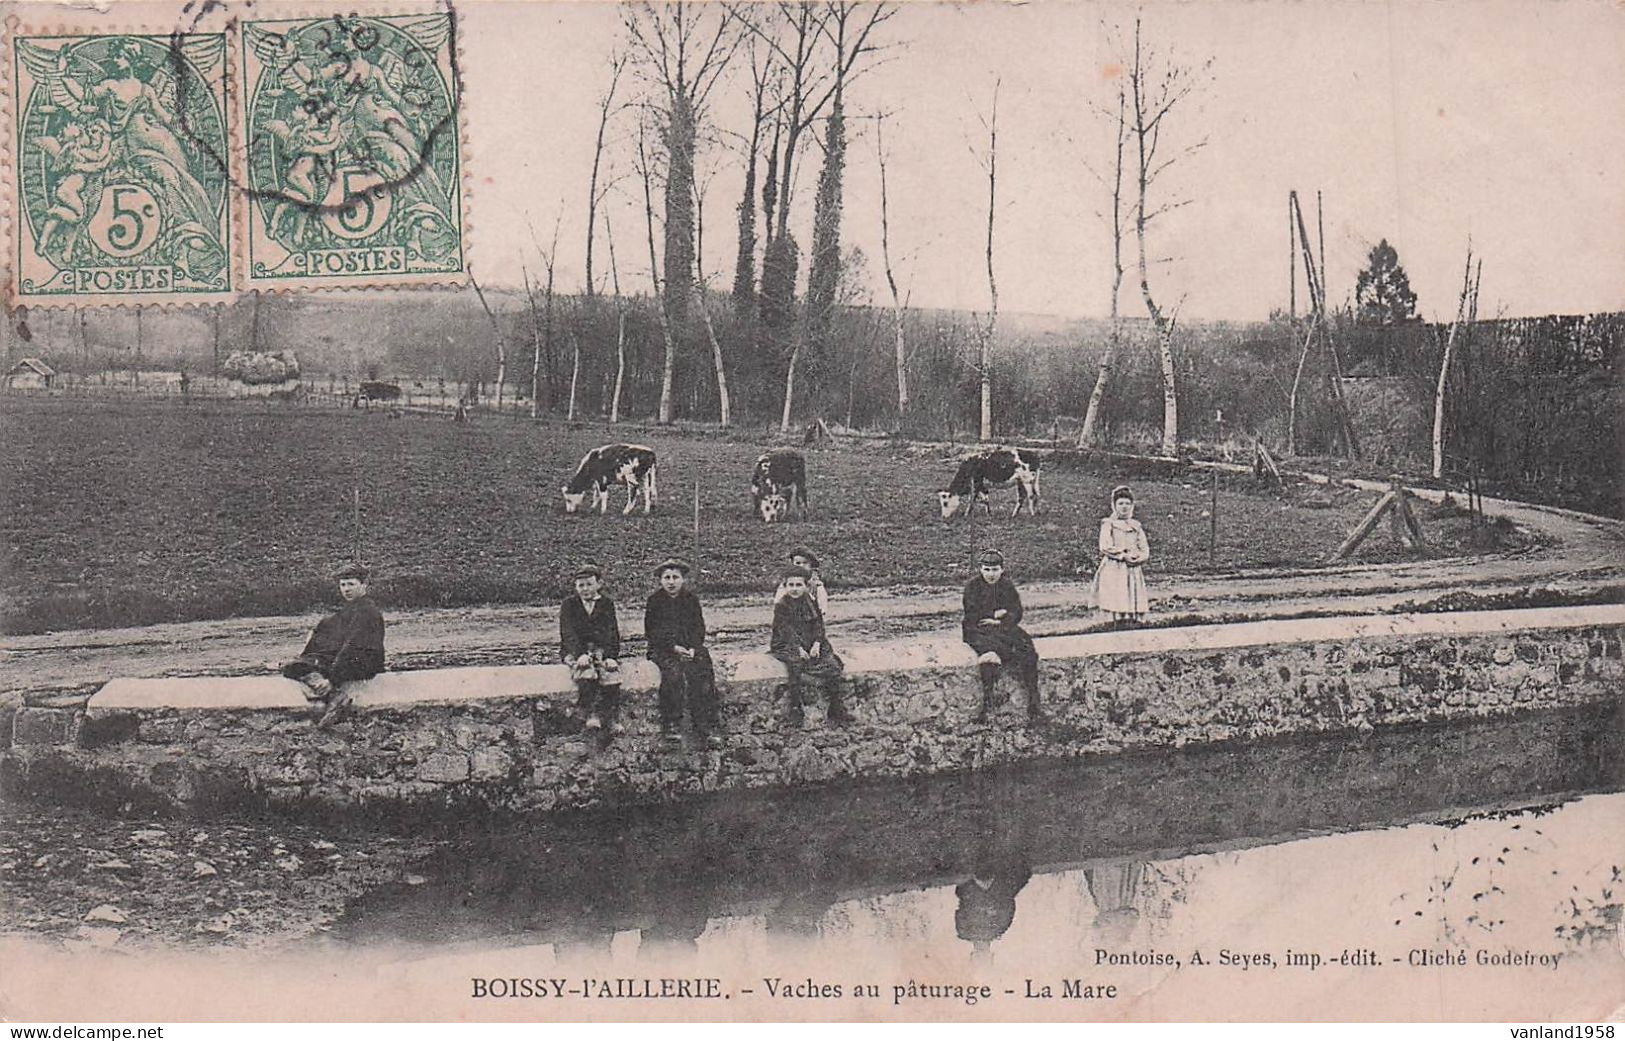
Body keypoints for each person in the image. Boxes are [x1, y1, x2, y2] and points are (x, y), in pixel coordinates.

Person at [281, 562, 385, 725]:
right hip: (352, 659)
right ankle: (334, 696)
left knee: (298, 666)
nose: (346, 589)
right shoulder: (352, 608)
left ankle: (333, 694)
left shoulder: (367, 611)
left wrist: (332, 678)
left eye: (351, 584)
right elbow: (332, 625)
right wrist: (317, 631)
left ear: (364, 585)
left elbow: (353, 646)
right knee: (295, 665)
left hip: (363, 662)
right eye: (343, 585)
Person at [961, 548, 1043, 722]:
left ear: (1002, 570)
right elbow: (972, 613)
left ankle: (1034, 701)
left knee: (1027, 647)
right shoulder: (972, 587)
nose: (991, 574)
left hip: (1003, 627)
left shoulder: (1006, 585)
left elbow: (1017, 611)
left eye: (995, 570)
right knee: (990, 654)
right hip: (977, 629)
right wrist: (994, 614)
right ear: (981, 569)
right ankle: (987, 703)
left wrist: (1002, 620)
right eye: (987, 569)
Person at [644, 558, 719, 745]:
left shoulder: (690, 599)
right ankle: (671, 724)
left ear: (682, 579)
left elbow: (698, 627)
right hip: (663, 649)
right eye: (667, 577)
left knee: (702, 673)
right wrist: (673, 647)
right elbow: (652, 631)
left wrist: (693, 648)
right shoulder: (655, 601)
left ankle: (705, 725)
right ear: (660, 580)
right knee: (673, 674)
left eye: (675, 577)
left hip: (689, 648)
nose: (671, 582)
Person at [770, 564, 852, 726]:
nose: (795, 589)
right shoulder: (782, 606)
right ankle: (795, 707)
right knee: (795, 664)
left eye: (799, 585)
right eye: (791, 585)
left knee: (831, 662)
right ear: (785, 587)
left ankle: (836, 705)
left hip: (809, 640)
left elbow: (818, 625)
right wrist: (798, 648)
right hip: (786, 642)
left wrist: (816, 643)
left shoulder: (810, 602)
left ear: (806, 586)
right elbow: (786, 630)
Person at [560, 562, 622, 739]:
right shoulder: (569, 605)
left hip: (600, 649)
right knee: (586, 673)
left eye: (589, 584)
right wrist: (579, 654)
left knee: (611, 674)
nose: (585, 589)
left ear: (599, 584)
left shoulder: (606, 604)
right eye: (581, 585)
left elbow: (612, 632)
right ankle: (591, 713)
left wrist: (611, 656)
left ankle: (610, 717)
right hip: (576, 650)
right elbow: (568, 633)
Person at [1094, 485, 1151, 625]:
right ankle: (1114, 621)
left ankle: (1132, 620)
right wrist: (1122, 555)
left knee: (1131, 591)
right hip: (1114, 566)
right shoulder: (1109, 524)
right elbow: (1105, 546)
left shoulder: (1136, 526)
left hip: (1132, 566)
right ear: (1114, 506)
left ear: (1132, 506)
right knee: (1116, 592)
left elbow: (1144, 548)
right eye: (1120, 503)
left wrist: (1139, 558)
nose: (1124, 507)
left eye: (1127, 503)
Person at [773, 546, 830, 617]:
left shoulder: (815, 584)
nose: (801, 566)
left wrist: (822, 608)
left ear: (811, 565)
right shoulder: (788, 581)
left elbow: (821, 597)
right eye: (798, 563)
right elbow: (780, 596)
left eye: (805, 563)